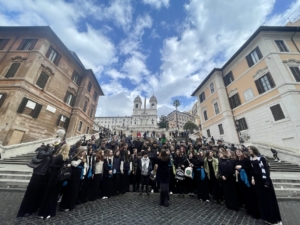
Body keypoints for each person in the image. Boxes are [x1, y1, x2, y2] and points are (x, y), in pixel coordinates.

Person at [248, 146, 282, 225]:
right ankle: (266, 217)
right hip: (257, 180)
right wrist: (252, 178)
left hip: (263, 179)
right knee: (262, 199)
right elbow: (252, 170)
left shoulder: (261, 158)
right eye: (248, 150)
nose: (249, 151)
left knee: (269, 199)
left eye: (250, 149)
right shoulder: (251, 159)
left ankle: (275, 219)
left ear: (254, 150)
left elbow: (266, 170)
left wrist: (267, 181)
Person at [17, 145, 52, 217]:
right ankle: (27, 210)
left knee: (37, 194)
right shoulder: (42, 153)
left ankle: (34, 208)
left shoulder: (48, 155)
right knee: (31, 194)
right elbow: (46, 154)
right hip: (38, 175)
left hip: (42, 176)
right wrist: (51, 148)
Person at [38, 144, 70, 220]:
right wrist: (63, 166)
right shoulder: (60, 156)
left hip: (59, 178)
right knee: (50, 194)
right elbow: (52, 165)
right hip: (54, 177)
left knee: (54, 195)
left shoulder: (66, 157)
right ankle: (45, 212)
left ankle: (51, 211)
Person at [235, 149, 260, 218]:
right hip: (241, 179)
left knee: (250, 194)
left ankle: (254, 211)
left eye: (239, 152)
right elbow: (236, 168)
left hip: (247, 178)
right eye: (237, 152)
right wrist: (237, 171)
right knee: (244, 195)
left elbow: (249, 168)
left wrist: (241, 167)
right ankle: (248, 209)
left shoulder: (246, 160)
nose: (238, 153)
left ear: (242, 153)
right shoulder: (237, 161)